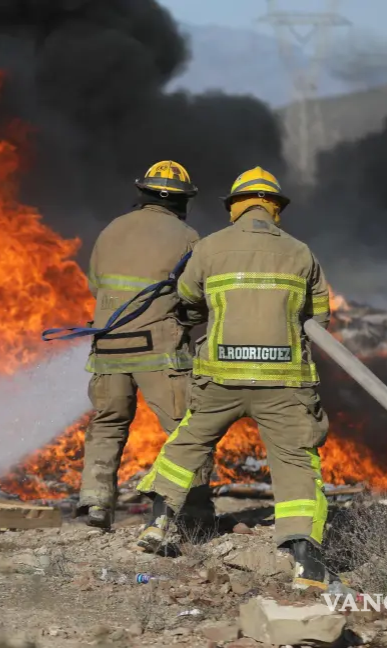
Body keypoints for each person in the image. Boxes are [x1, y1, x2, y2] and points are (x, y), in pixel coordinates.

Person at [135, 166, 334, 590]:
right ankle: (306, 565)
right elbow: (320, 317)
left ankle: (157, 523)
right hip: (284, 384)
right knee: (296, 462)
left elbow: (188, 300)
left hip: (220, 378)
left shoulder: (209, 248)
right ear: (275, 208)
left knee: (189, 442)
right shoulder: (301, 252)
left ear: (235, 207)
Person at [79, 160, 213, 532]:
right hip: (159, 352)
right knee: (188, 429)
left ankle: (94, 501)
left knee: (107, 424)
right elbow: (195, 293)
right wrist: (187, 319)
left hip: (107, 346)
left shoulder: (111, 229)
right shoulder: (188, 236)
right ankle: (196, 510)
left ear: (143, 193)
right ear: (182, 201)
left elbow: (95, 285)